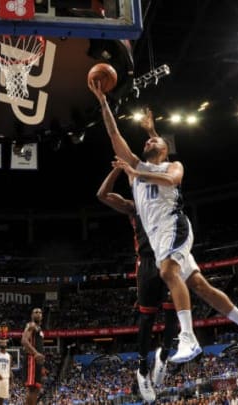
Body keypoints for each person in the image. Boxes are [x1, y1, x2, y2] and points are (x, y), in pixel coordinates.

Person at [88, 81, 238, 376]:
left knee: (168, 273)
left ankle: (188, 338)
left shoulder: (172, 167)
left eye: (154, 143)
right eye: (147, 141)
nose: (148, 143)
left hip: (175, 227)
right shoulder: (137, 167)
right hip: (160, 239)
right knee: (199, 286)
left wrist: (136, 171)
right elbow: (113, 133)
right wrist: (103, 102)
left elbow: (172, 180)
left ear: (165, 150)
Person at [97, 166, 178, 402]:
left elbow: (171, 180)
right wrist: (116, 171)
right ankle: (143, 369)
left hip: (168, 258)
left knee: (173, 312)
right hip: (147, 264)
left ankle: (163, 355)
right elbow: (102, 195)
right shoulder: (134, 208)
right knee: (147, 318)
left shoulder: (165, 202)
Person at [21, 308, 45, 405]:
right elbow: (24, 341)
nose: (38, 314)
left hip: (37, 362)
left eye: (40, 312)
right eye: (36, 312)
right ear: (32, 315)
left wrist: (42, 364)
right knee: (32, 389)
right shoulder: (31, 325)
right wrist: (35, 353)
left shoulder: (39, 329)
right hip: (31, 359)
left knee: (36, 389)